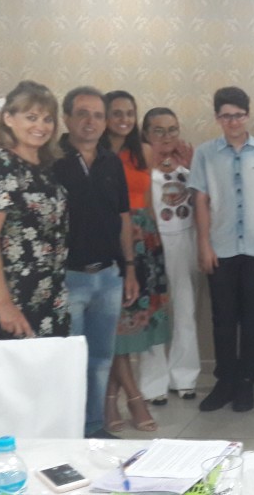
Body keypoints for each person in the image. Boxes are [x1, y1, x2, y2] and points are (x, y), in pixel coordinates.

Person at [54, 86, 139, 438]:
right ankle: (69, 433)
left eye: (98, 115)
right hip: (68, 278)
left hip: (108, 277)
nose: (91, 122)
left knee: (101, 359)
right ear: (66, 118)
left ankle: (93, 428)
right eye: (82, 114)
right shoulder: (51, 162)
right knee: (69, 363)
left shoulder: (111, 163)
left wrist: (129, 268)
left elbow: (123, 217)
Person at [190, 86, 254, 413]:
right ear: (217, 118)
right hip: (221, 247)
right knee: (223, 319)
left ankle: (245, 383)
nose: (233, 122)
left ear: (248, 116)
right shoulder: (205, 153)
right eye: (226, 116)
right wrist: (204, 243)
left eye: (238, 115)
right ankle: (224, 381)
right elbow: (201, 199)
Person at [99, 90, 169, 432]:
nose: (124, 119)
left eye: (130, 113)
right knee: (114, 324)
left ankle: (109, 400)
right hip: (111, 238)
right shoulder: (96, 153)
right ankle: (133, 398)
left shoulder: (144, 151)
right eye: (117, 113)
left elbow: (149, 200)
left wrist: (156, 243)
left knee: (129, 326)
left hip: (145, 240)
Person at [0, 80, 68, 340]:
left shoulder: (45, 169)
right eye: (31, 117)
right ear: (8, 118)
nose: (41, 126)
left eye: (47, 119)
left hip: (50, 293)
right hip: (14, 295)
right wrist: (4, 304)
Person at [139, 107, 202, 405]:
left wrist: (194, 168)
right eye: (159, 131)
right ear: (146, 134)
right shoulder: (141, 170)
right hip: (153, 242)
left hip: (185, 240)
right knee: (154, 314)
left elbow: (206, 202)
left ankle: (185, 377)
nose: (167, 137)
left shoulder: (188, 168)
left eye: (172, 130)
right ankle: (153, 383)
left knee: (185, 310)